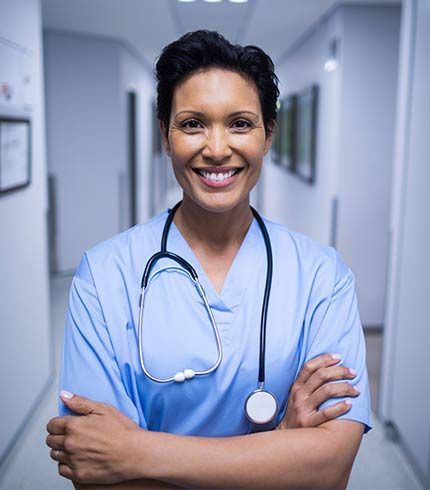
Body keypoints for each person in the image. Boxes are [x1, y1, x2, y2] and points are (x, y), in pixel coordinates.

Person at [46, 29, 372, 489]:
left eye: (240, 123)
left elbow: (329, 470)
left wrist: (137, 451)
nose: (217, 148)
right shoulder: (104, 275)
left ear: (268, 134)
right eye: (193, 123)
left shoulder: (322, 275)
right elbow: (95, 473)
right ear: (165, 134)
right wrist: (280, 446)